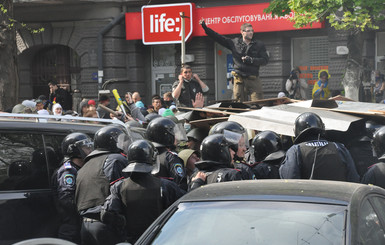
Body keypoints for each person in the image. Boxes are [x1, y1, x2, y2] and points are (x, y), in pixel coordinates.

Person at [101, 140, 185, 244]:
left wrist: (124, 226)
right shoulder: (166, 186)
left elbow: (107, 215)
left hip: (132, 240)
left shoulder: (119, 187)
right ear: (152, 158)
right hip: (160, 239)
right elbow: (183, 210)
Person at [75, 125, 129, 245]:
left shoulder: (85, 165)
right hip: (107, 225)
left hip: (86, 226)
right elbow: (124, 192)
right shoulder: (115, 159)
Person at [200, 19, 269, 102]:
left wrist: (251, 60)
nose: (251, 33)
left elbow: (265, 60)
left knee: (258, 102)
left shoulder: (259, 44)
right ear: (242, 32)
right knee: (238, 103)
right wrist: (206, 28)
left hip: (253, 78)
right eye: (248, 31)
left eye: (252, 31)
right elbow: (218, 38)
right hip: (239, 78)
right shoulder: (234, 43)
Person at [279, 112, 359, 182]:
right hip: (339, 198)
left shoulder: (295, 150)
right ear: (322, 127)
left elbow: (289, 180)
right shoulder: (339, 148)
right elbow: (354, 179)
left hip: (309, 199)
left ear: (296, 131)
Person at [51, 133, 94, 244]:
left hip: (80, 224)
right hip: (71, 226)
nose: (89, 150)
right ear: (74, 150)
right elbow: (67, 199)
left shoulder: (81, 168)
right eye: (85, 147)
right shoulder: (68, 171)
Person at [146, 117, 187, 190]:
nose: (177, 138)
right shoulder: (171, 157)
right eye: (173, 134)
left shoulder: (145, 155)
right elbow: (180, 185)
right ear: (166, 136)